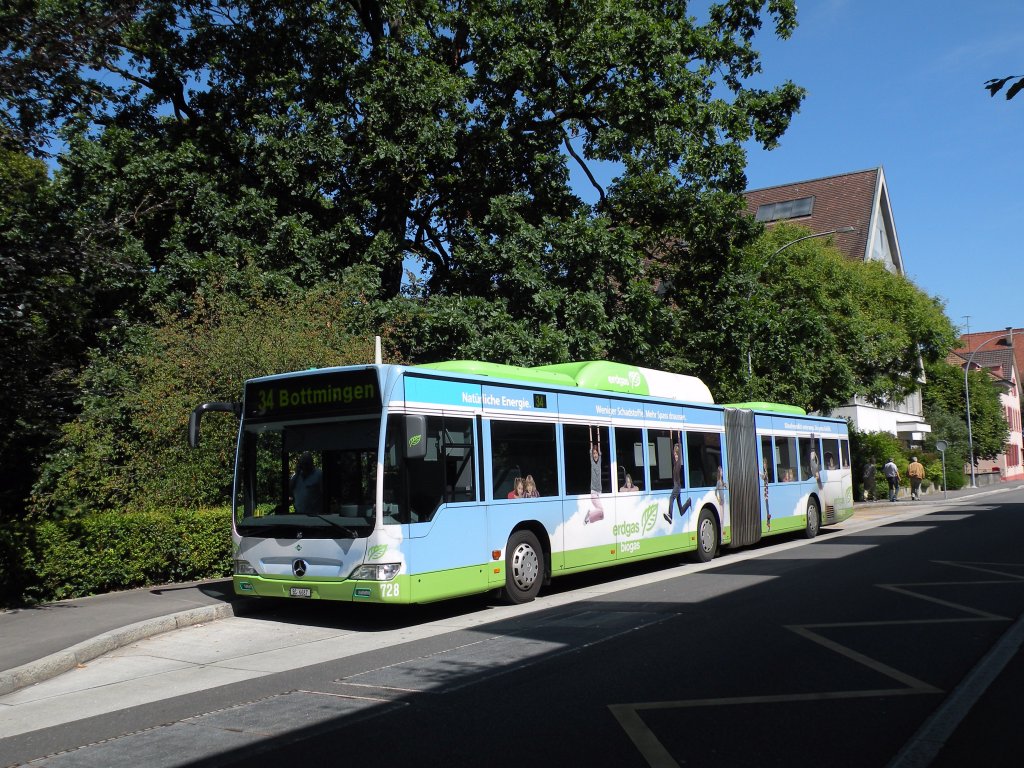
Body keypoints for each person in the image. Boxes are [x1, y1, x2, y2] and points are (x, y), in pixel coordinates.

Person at [663, 440, 687, 524]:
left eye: (677, 454)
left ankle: (670, 515)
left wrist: (679, 437)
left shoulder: (679, 463)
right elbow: (671, 452)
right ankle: (689, 502)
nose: (676, 456)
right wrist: (670, 438)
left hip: (677, 486)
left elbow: (679, 453)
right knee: (681, 510)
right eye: (675, 454)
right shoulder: (674, 463)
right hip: (676, 487)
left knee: (671, 498)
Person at [585, 428, 605, 523]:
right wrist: (590, 428)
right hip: (593, 492)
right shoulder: (592, 462)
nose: (595, 455)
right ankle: (589, 515)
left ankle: (589, 519)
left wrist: (598, 429)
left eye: (596, 453)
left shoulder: (599, 461)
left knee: (602, 516)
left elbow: (599, 443)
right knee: (601, 510)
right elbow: (591, 442)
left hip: (599, 492)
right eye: (594, 453)